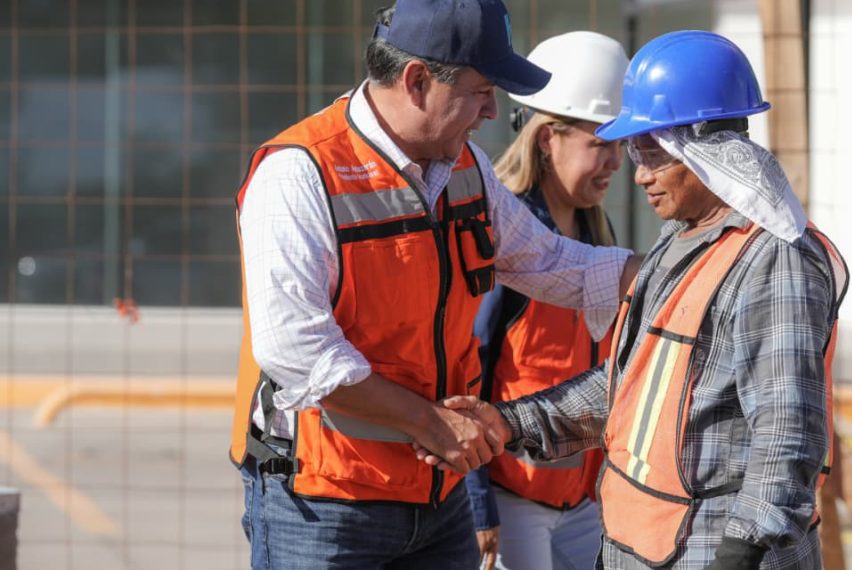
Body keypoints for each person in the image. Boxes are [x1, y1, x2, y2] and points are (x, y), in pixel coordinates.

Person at [228, 1, 637, 568]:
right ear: (417, 81)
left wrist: (682, 274)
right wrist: (431, 423)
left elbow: (548, 261)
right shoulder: (299, 173)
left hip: (437, 494)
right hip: (326, 503)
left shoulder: (465, 167)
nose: (495, 111)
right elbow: (296, 350)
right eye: (482, 90)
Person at [424, 30, 848, 569]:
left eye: (653, 154)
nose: (639, 173)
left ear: (703, 149)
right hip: (641, 545)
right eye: (633, 151)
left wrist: (743, 551)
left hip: (710, 552)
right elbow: (632, 383)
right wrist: (512, 424)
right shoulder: (683, 241)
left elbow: (788, 429)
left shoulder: (773, 262)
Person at [464, 31, 628, 570]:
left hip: (585, 495)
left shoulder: (598, 239)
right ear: (545, 139)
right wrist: (476, 499)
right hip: (513, 498)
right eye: (601, 144)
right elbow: (467, 370)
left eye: (622, 144)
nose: (617, 162)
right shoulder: (504, 241)